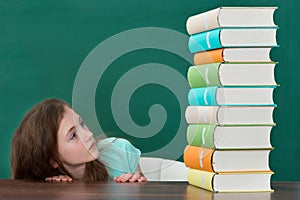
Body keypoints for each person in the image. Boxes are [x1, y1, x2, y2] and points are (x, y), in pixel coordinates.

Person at [10, 98, 147, 182]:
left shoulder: (121, 151)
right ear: (52, 161)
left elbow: (143, 193)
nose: (89, 134)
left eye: (82, 124)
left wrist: (137, 187)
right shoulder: (51, 186)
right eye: (74, 135)